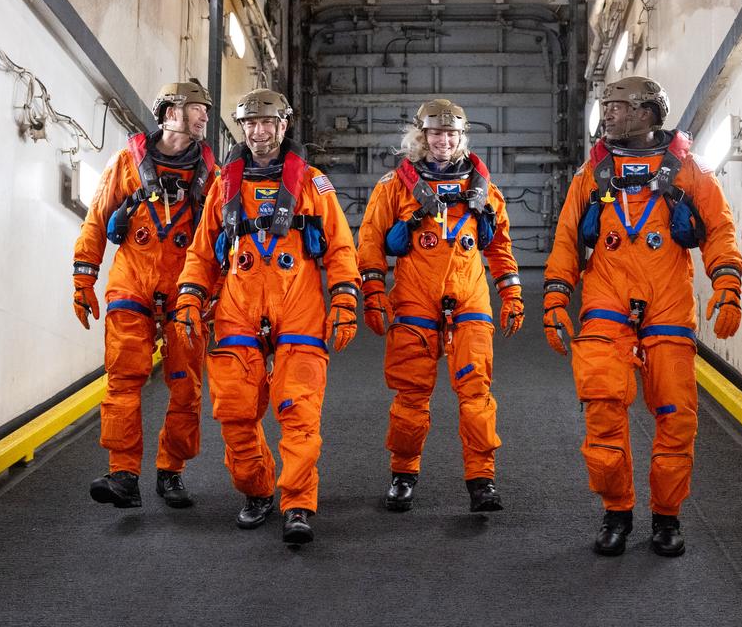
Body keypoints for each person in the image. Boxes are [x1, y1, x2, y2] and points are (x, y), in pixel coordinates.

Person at [542, 76, 742, 557]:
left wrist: (728, 286)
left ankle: (666, 517)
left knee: (676, 417)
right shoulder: (591, 176)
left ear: (650, 113)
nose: (608, 114)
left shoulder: (688, 171)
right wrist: (554, 298)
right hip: (606, 301)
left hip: (668, 305)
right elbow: (568, 239)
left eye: (618, 106)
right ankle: (616, 512)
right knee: (604, 409)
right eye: (606, 106)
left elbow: (719, 230)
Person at [175, 88, 360, 545]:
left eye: (267, 124)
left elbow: (339, 247)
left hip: (298, 303)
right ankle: (257, 490)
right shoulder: (225, 186)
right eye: (250, 125)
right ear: (244, 130)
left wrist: (344, 300)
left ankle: (297, 503)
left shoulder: (313, 184)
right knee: (235, 409)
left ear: (283, 127)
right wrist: (189, 299)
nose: (258, 133)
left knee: (298, 411)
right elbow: (202, 252)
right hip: (238, 304)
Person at [357, 98, 523, 513]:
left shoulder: (482, 189)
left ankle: (481, 479)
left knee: (476, 394)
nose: (444, 140)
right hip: (415, 299)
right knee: (411, 397)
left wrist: (512, 295)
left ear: (461, 138)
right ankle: (403, 472)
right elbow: (371, 243)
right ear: (421, 136)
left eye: (451, 133)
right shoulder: (394, 187)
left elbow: (500, 246)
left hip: (469, 298)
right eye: (436, 133)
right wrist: (374, 294)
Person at [72, 80, 217, 509]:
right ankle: (123, 474)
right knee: (122, 379)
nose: (205, 116)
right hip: (132, 280)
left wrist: (219, 292)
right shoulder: (127, 164)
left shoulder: (211, 175)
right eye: (197, 108)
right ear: (171, 112)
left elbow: (219, 238)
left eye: (205, 109)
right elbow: (96, 221)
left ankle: (171, 471)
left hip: (185, 288)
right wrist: (84, 279)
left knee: (185, 386)